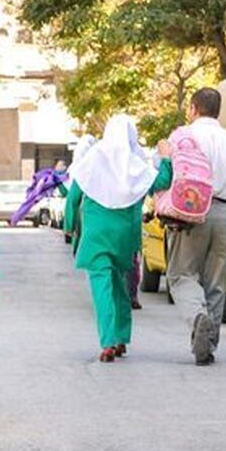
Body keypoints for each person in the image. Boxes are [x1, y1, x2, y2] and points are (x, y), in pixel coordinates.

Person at [66, 115, 172, 361]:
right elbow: (162, 181)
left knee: (101, 287)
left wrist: (70, 227)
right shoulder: (134, 164)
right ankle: (122, 337)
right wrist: (166, 158)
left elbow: (73, 196)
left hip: (96, 236)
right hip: (124, 234)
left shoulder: (92, 159)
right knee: (121, 285)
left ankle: (108, 341)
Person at [165, 88, 226, 366]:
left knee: (182, 274)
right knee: (216, 280)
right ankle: (209, 344)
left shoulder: (183, 137)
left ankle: (196, 318)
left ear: (193, 109)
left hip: (192, 213)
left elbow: (170, 174)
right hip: (225, 213)